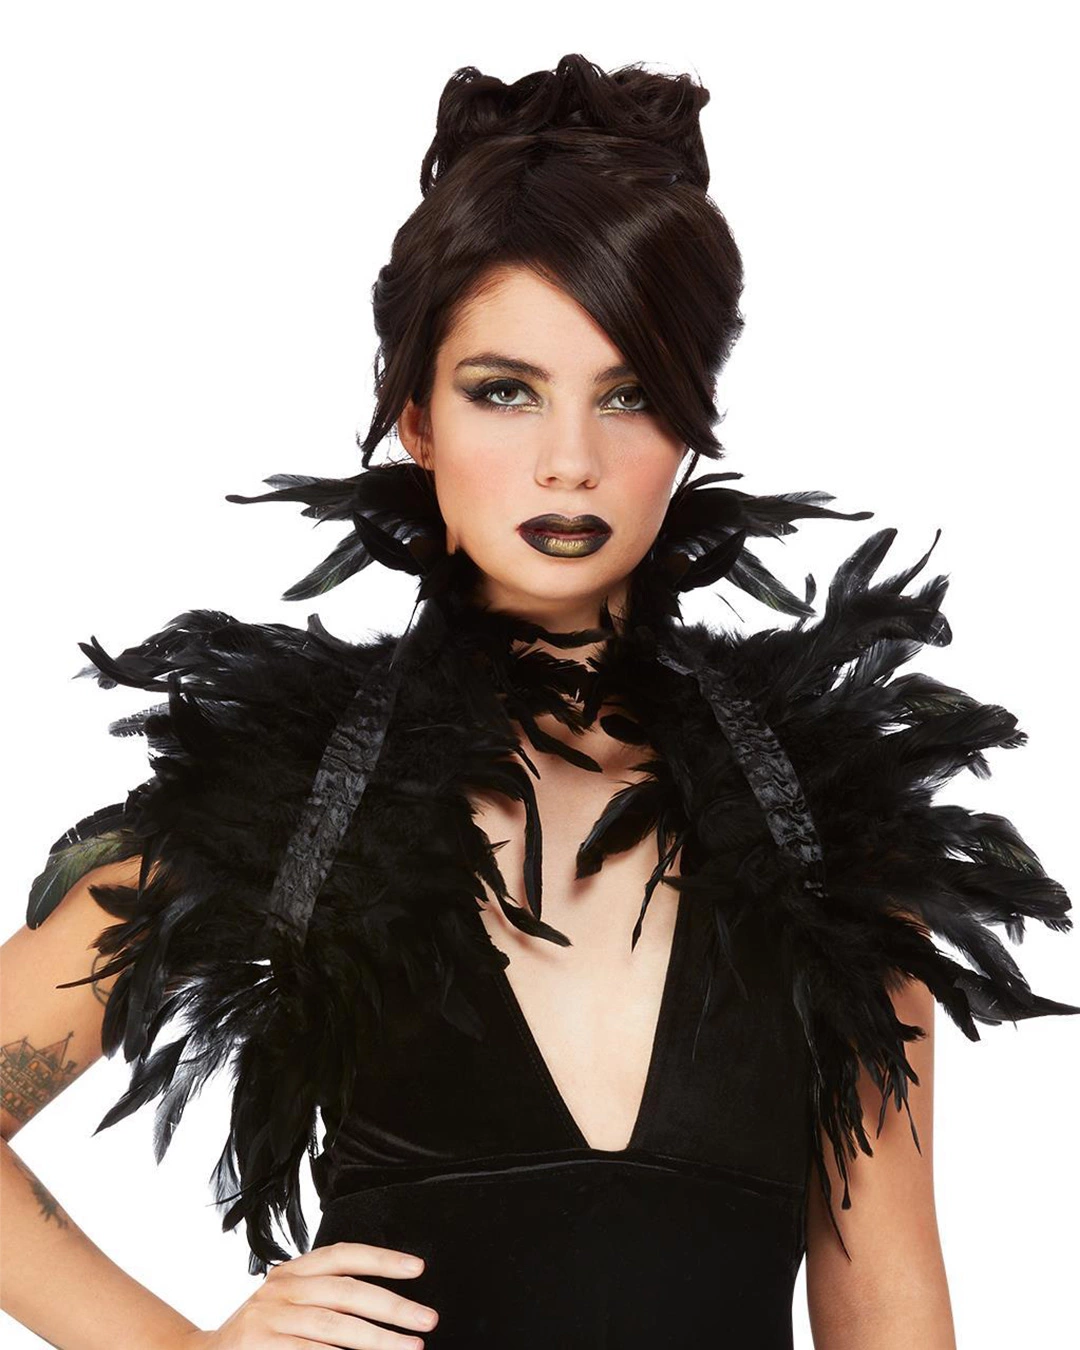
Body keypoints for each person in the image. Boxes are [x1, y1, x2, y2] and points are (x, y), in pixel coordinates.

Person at [2, 53, 1077, 1350]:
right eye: (504, 391)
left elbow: (889, 1307)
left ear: (690, 426)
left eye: (631, 395)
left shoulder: (833, 841)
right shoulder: (291, 806)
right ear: (416, 417)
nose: (570, 459)